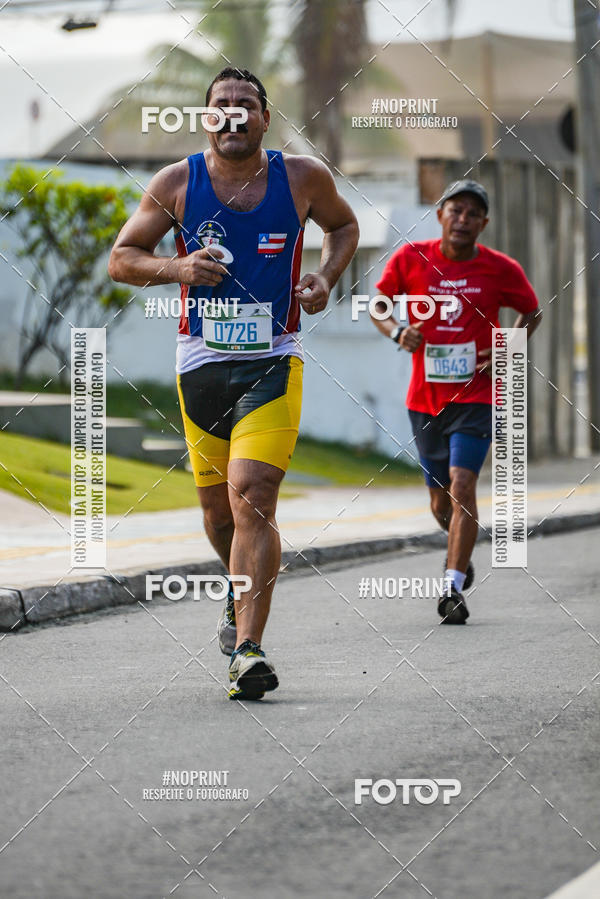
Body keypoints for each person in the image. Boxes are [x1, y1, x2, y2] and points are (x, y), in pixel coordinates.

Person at [109, 68, 359, 697]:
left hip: (274, 357)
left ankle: (248, 650)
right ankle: (236, 591)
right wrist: (176, 266)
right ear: (205, 118)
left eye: (244, 106)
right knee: (219, 516)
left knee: (254, 495)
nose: (232, 116)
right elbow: (121, 258)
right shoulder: (178, 183)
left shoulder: (302, 177)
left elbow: (345, 227)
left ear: (264, 118)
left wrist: (326, 278)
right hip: (201, 364)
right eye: (220, 106)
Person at [371, 179, 541, 623]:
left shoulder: (500, 268)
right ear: (441, 214)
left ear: (483, 223)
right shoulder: (412, 258)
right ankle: (460, 553)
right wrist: (397, 331)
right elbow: (379, 304)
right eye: (455, 210)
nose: (463, 219)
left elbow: (533, 310)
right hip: (425, 401)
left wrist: (505, 349)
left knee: (464, 485)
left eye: (472, 213)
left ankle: (451, 588)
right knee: (440, 503)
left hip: (477, 397)